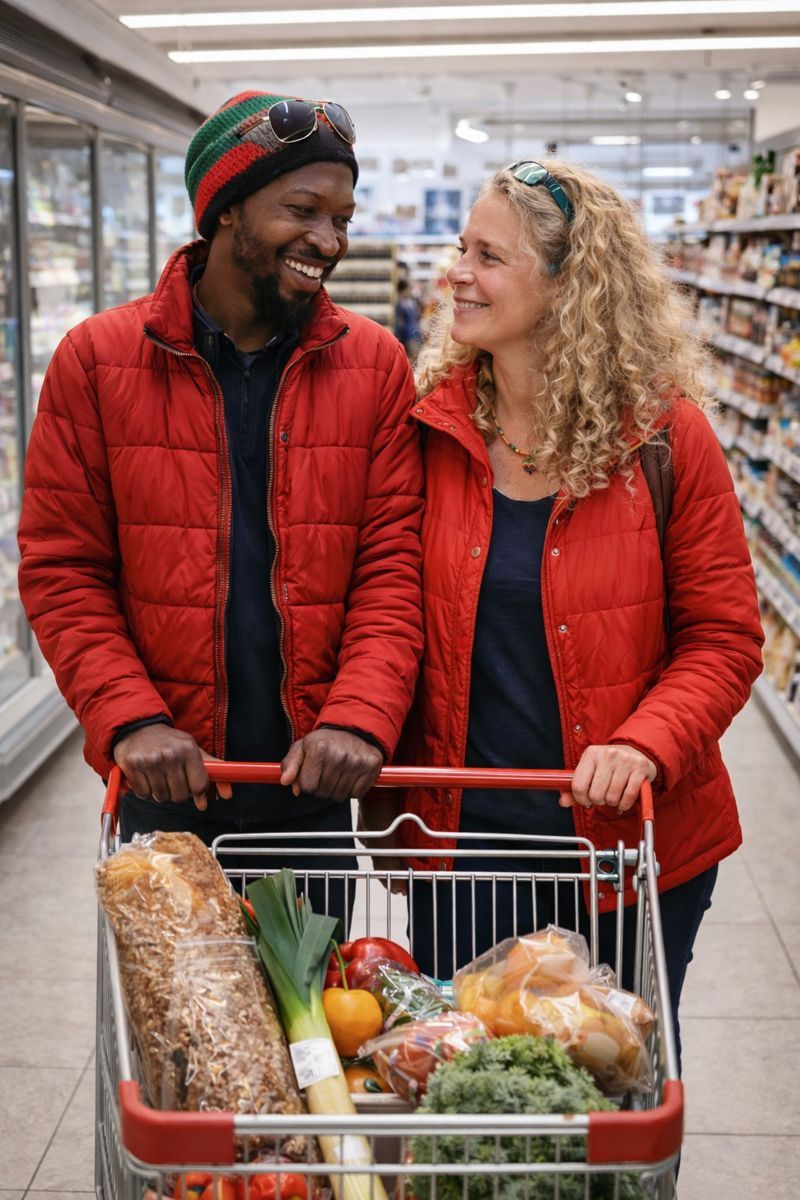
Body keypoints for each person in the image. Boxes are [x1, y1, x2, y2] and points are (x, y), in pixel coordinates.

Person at [382, 158, 763, 1057]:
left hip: (624, 857)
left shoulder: (665, 438)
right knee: (474, 1104)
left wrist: (643, 741)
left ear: (569, 284)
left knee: (610, 1091)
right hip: (462, 855)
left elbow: (725, 638)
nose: (456, 274)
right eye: (460, 248)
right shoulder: (428, 431)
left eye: (490, 256)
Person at [17, 90, 424, 869]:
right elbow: (64, 568)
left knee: (314, 991)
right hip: (166, 779)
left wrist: (359, 719)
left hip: (315, 775)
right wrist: (131, 721)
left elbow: (392, 570)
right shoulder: (98, 361)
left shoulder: (374, 365)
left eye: (340, 217)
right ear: (227, 209)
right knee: (181, 994)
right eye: (302, 210)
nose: (327, 239)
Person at [394, 277, 422, 360]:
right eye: (408, 289)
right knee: (412, 357)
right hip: (407, 334)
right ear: (403, 290)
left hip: (414, 331)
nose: (409, 291)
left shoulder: (410, 302)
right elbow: (399, 323)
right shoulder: (400, 304)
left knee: (416, 356)